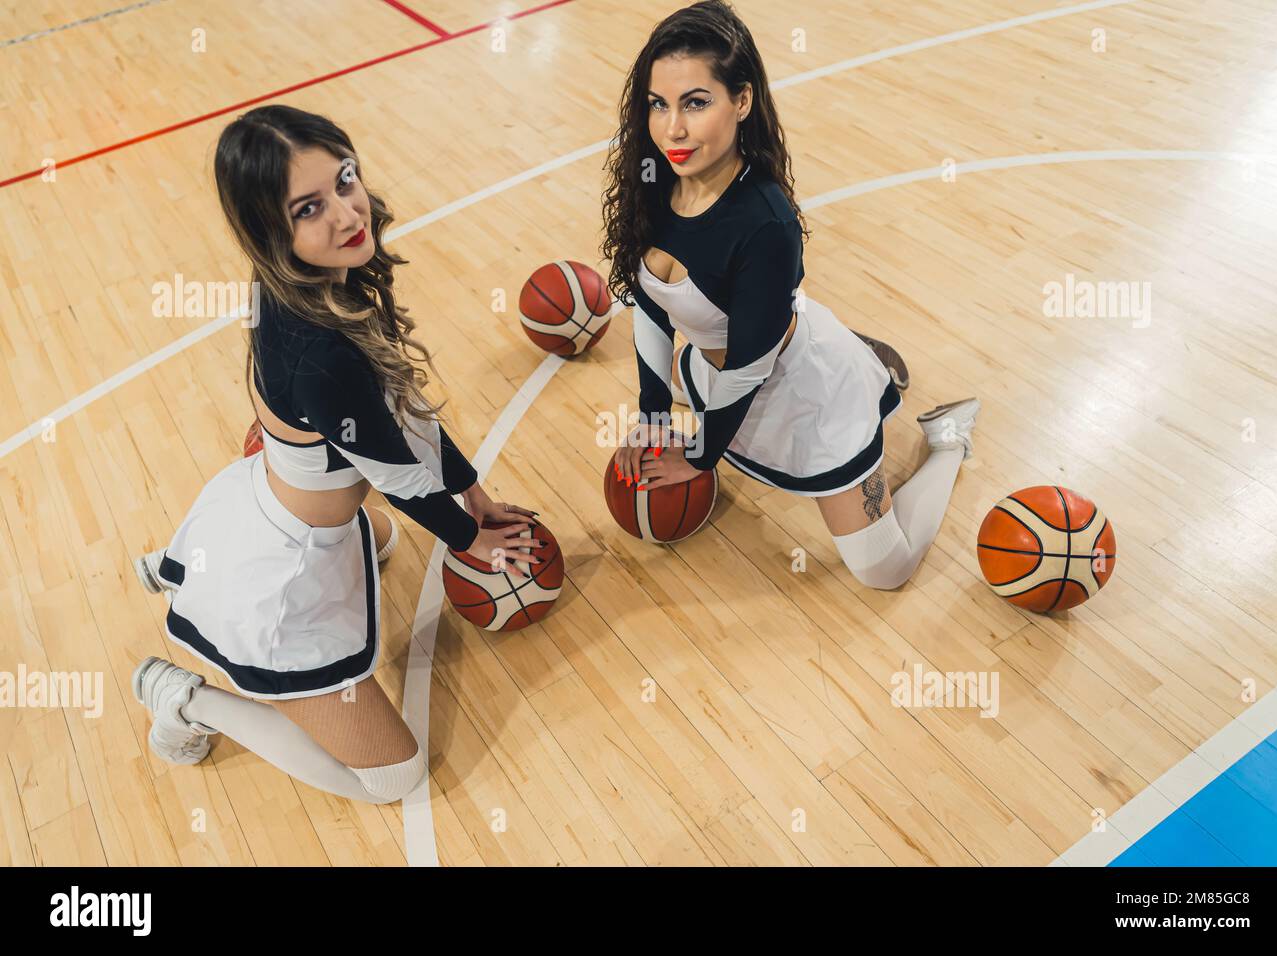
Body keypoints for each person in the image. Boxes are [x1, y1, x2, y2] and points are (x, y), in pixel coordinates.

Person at [130, 105, 540, 804]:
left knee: (376, 540)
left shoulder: (301, 278)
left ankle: (184, 572)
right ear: (270, 231)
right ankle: (185, 697)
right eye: (309, 207)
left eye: (345, 180)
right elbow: (401, 478)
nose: (348, 214)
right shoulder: (321, 355)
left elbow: (403, 411)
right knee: (391, 779)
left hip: (271, 499)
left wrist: (473, 493)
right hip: (280, 578)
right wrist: (472, 537)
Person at [602, 1, 980, 590]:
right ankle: (841, 343)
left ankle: (949, 437)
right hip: (719, 365)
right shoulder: (654, 179)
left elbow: (748, 371)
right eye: (658, 103)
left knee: (885, 569)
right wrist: (652, 418)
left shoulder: (765, 222)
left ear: (742, 100)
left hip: (796, 391)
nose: (671, 128)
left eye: (696, 102)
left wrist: (698, 458)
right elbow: (650, 301)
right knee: (695, 371)